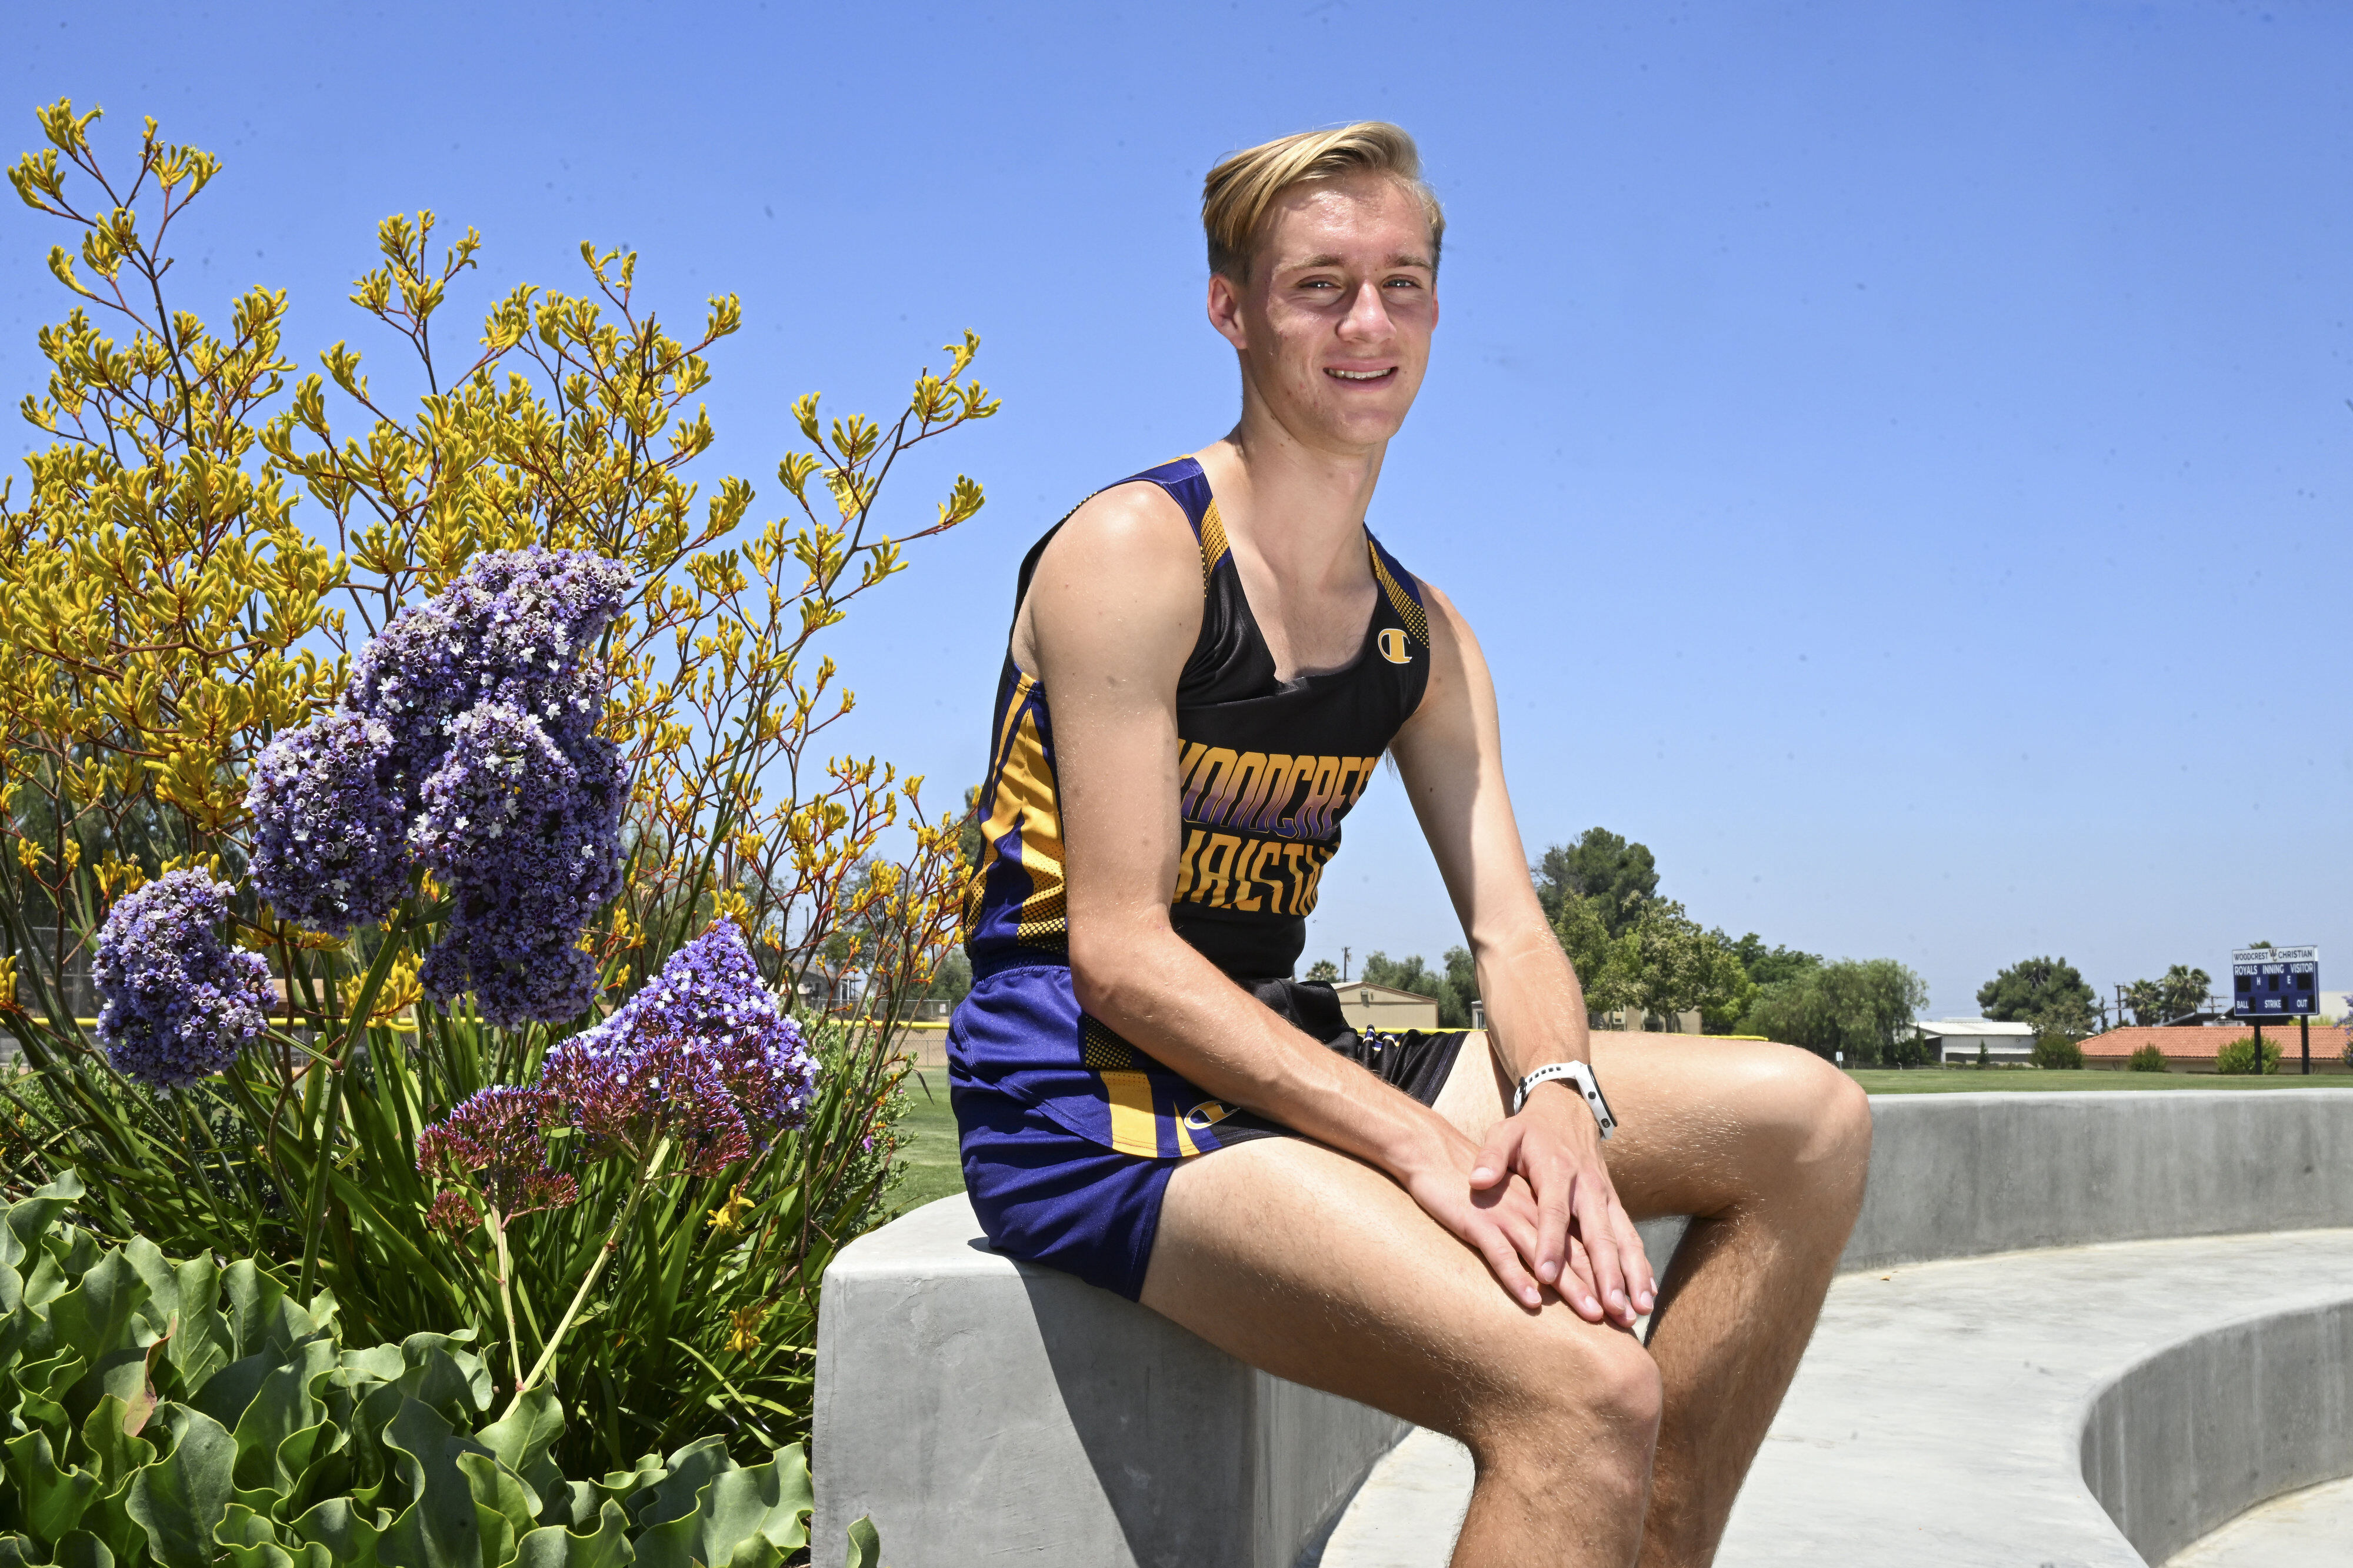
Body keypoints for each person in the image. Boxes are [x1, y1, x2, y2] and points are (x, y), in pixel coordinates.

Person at [947, 122, 1872, 1567]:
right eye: (1319, 285)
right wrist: (1417, 1150)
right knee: (1581, 1388)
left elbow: (1509, 926)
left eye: (1401, 283)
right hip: (1085, 1088)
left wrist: (1558, 1098)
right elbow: (1119, 956)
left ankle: (1654, 1541)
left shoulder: (1422, 634)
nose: (1366, 323)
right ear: (1230, 308)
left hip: (1274, 1044)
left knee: (1808, 1122)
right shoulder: (1136, 550)